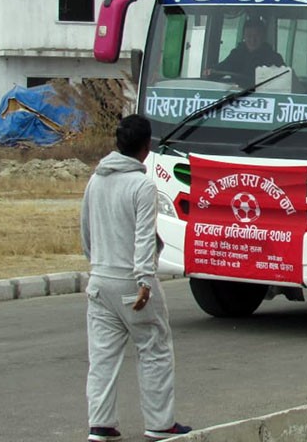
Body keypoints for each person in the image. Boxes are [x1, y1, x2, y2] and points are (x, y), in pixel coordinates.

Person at [80, 114, 191, 442]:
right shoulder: (142, 184)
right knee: (154, 348)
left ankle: (100, 424)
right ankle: (160, 423)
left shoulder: (95, 180)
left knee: (101, 356)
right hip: (133, 282)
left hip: (99, 278)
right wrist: (144, 280)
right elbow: (145, 237)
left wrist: (97, 264)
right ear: (146, 147)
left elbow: (85, 231)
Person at [208, 18, 285, 79]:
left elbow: (284, 79)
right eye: (248, 35)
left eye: (256, 36)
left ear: (264, 37)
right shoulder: (236, 55)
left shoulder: (274, 58)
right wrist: (210, 71)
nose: (252, 40)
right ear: (244, 37)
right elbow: (222, 68)